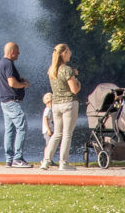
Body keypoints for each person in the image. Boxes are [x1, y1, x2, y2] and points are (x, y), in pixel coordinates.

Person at [40, 43, 81, 171]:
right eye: (68, 51)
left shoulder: (51, 70)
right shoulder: (67, 70)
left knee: (57, 134)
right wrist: (77, 80)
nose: (70, 54)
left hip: (56, 105)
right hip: (69, 103)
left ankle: (46, 161)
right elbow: (74, 89)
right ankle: (63, 162)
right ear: (63, 53)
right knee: (67, 134)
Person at [0, 41, 33, 168]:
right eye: (17, 51)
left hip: (4, 101)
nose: (19, 54)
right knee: (22, 127)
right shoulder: (8, 64)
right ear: (12, 53)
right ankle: (18, 158)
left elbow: (8, 81)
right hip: (12, 101)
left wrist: (19, 80)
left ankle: (9, 159)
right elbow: (11, 83)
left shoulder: (0, 64)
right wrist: (24, 84)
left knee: (9, 130)